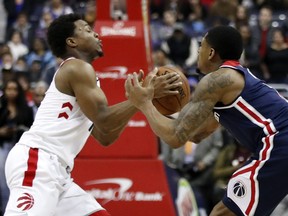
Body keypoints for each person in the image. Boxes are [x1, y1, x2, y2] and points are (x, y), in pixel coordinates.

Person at [4, 13, 182, 216]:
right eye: (88, 30)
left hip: (58, 172)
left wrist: (139, 100)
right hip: (38, 160)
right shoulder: (76, 68)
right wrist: (141, 98)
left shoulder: (87, 79)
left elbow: (105, 136)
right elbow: (105, 121)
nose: (97, 34)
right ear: (72, 42)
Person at [125, 25, 288, 216]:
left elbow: (175, 137)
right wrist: (178, 110)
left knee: (223, 212)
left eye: (201, 45)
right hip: (278, 143)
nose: (198, 50)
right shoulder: (231, 81)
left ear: (211, 53)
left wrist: (144, 104)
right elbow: (197, 134)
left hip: (279, 141)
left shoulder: (217, 80)